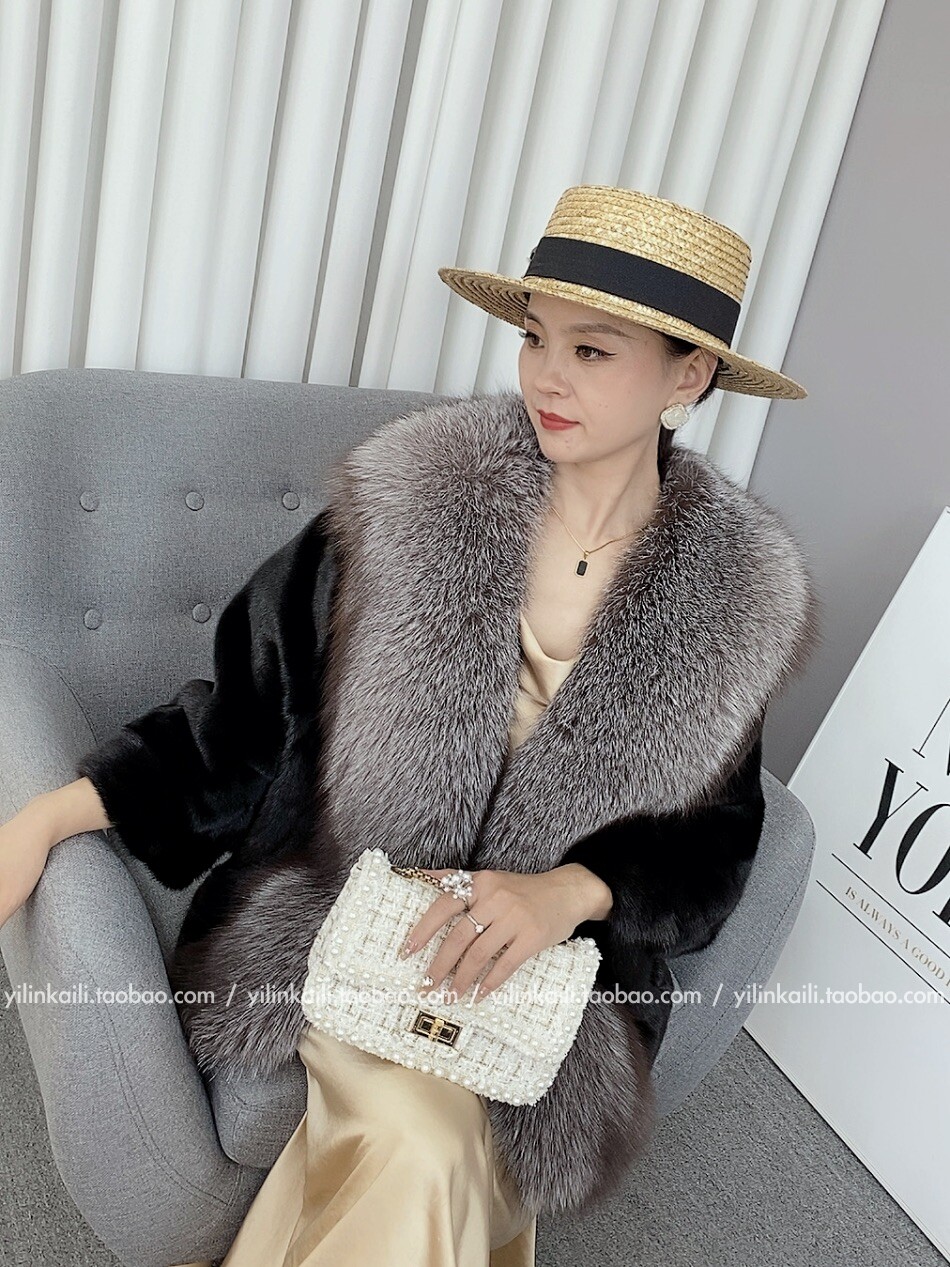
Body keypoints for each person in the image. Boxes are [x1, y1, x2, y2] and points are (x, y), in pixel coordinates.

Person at [0, 184, 821, 1265]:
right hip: (349, 916)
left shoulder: (729, 598)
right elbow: (243, 717)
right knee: (423, 1145)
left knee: (438, 1141)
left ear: (689, 375)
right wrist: (48, 816)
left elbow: (713, 842)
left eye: (591, 350)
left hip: (544, 971)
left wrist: (572, 889)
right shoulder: (412, 505)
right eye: (534, 337)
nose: (545, 376)